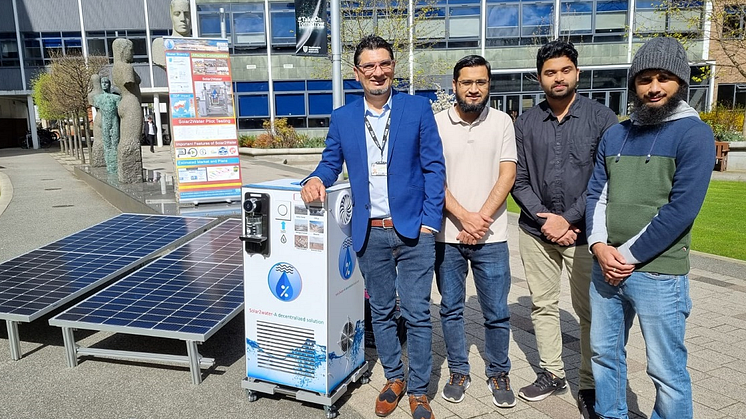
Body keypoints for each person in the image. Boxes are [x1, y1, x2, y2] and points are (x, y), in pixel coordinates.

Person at [300, 35, 445, 419]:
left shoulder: (417, 109)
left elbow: (434, 167)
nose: (378, 72)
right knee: (381, 311)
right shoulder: (344, 117)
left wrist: (431, 222)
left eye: (384, 64)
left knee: (415, 312)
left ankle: (418, 390)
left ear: (394, 67)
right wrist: (314, 179)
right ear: (357, 73)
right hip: (370, 232)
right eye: (369, 66)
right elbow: (330, 163)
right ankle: (394, 378)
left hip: (413, 231)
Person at [586, 36, 714, 419]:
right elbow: (596, 193)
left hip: (658, 273)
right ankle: (611, 413)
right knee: (604, 355)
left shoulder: (695, 134)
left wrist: (623, 256)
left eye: (663, 78)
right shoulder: (616, 134)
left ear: (681, 83)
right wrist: (598, 247)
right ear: (634, 86)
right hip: (605, 265)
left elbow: (680, 211)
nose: (654, 87)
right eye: (644, 79)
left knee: (666, 370)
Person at [511, 39, 617, 418]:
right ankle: (553, 374)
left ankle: (589, 384)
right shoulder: (524, 121)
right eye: (549, 72)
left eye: (564, 70)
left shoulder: (602, 119)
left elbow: (604, 181)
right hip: (535, 231)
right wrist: (547, 219)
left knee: (589, 312)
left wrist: (568, 219)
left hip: (585, 235)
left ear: (577, 72)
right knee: (542, 305)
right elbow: (518, 179)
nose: (558, 78)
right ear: (539, 78)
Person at [433, 55, 517, 409]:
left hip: (492, 236)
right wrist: (464, 217)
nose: (473, 88)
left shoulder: (502, 122)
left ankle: (499, 371)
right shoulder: (435, 123)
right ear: (454, 85)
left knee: (496, 311)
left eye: (480, 82)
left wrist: (479, 219)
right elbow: (433, 178)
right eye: (466, 82)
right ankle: (458, 370)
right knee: (451, 309)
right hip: (447, 236)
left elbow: (507, 174)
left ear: (488, 85)